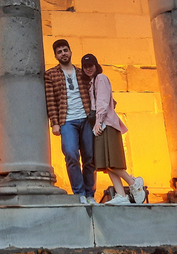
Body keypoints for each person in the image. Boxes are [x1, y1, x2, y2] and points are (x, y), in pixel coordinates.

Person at [80, 53, 146, 205]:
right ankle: (121, 195)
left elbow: (102, 102)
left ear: (96, 65)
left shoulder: (100, 78)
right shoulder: (93, 82)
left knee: (110, 162)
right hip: (104, 123)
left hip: (106, 124)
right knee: (106, 162)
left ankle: (133, 183)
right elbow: (110, 101)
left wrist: (98, 122)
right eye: (86, 67)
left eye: (91, 66)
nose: (89, 69)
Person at [44, 39, 96, 204]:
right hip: (67, 121)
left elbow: (93, 93)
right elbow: (51, 100)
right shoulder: (50, 74)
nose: (63, 53)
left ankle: (90, 194)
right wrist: (55, 123)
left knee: (90, 157)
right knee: (71, 155)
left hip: (86, 119)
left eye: (65, 50)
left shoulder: (82, 73)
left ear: (71, 52)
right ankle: (79, 194)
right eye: (59, 52)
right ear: (55, 55)